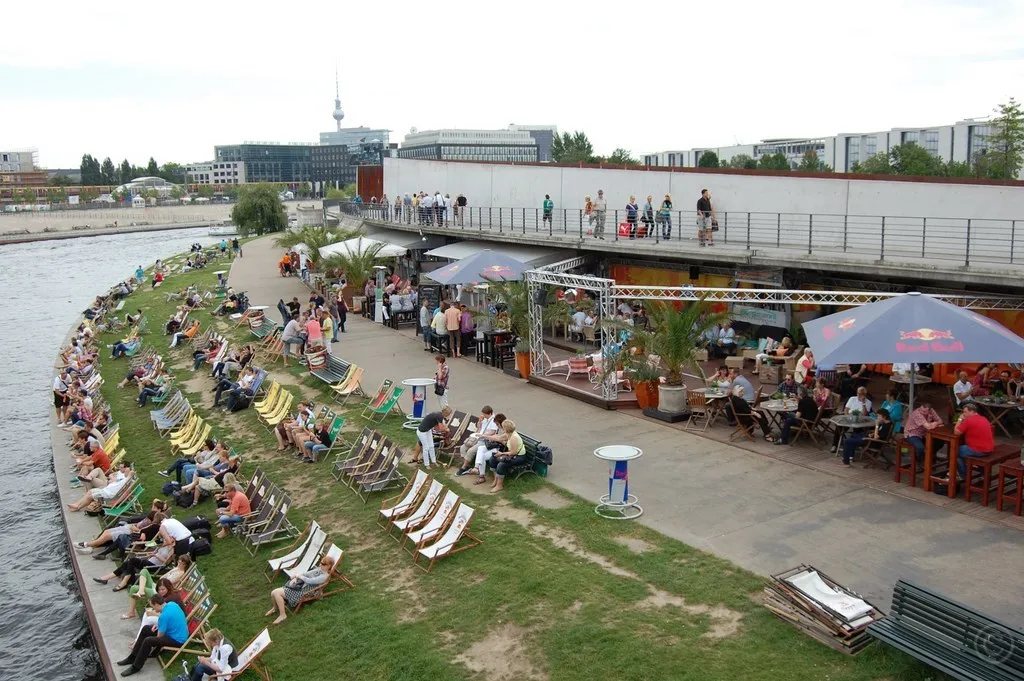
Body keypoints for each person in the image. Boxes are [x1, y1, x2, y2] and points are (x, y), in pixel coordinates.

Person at [117, 595, 189, 676]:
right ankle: (132, 657)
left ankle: (136, 666)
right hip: (178, 632)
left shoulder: (164, 616)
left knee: (148, 641)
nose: (154, 610)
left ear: (157, 604)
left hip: (177, 640)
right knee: (146, 629)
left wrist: (160, 626)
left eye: (153, 607)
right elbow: (172, 620)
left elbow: (159, 636)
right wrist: (159, 625)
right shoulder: (172, 604)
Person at [266, 555, 335, 625]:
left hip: (305, 592)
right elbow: (306, 574)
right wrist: (296, 577)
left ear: (329, 566)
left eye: (323, 564)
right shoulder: (319, 569)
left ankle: (283, 615)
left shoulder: (324, 576)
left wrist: (298, 576)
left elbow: (309, 581)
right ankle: (275, 608)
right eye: (321, 562)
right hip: (300, 586)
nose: (320, 564)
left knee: (276, 593)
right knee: (273, 593)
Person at [953, 403, 995, 481]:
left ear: (972, 411)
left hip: (979, 450)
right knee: (966, 450)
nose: (963, 414)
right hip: (989, 448)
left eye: (965, 412)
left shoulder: (969, 420)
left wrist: (959, 419)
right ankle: (983, 474)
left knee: (954, 451)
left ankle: (963, 476)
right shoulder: (984, 418)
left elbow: (956, 432)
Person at [66, 461, 131, 512]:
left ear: (126, 468)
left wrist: (114, 480)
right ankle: (77, 504)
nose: (120, 468)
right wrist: (113, 478)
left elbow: (129, 477)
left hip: (108, 490)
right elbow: (111, 474)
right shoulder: (120, 473)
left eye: (122, 467)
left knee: (91, 494)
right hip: (108, 485)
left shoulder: (125, 479)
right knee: (90, 489)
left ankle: (78, 507)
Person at [455, 406, 498, 475]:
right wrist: (480, 421)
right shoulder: (484, 418)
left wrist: (483, 435)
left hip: (485, 440)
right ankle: (468, 465)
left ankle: (464, 467)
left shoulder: (494, 421)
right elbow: (478, 427)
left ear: (489, 414)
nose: (483, 415)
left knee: (470, 451)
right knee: (462, 448)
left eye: (485, 414)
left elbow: (493, 432)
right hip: (477, 438)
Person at [831, 386, 874, 453]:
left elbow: (865, 414)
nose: (858, 395)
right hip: (849, 417)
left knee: (859, 430)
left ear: (864, 394)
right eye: (857, 393)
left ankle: (853, 445)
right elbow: (846, 409)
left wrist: (863, 403)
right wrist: (848, 417)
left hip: (860, 420)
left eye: (860, 394)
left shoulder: (868, 402)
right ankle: (835, 445)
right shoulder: (852, 398)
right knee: (839, 427)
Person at [489, 420, 526, 493]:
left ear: (506, 428)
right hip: (512, 455)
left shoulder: (513, 438)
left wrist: (501, 454)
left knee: (501, 464)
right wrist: (488, 437)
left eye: (503, 427)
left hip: (519, 457)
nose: (502, 428)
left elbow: (513, 452)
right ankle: (496, 479)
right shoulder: (508, 434)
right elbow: (499, 438)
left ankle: (499, 485)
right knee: (492, 458)